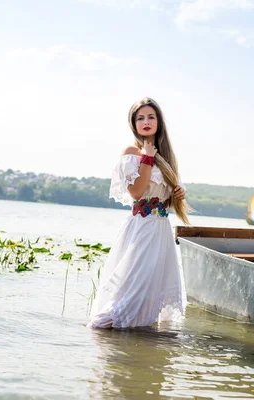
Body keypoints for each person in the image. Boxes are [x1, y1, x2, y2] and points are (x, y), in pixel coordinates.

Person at [88, 97, 190, 329]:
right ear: (133, 124)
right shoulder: (132, 152)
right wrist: (147, 156)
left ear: (159, 122)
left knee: (152, 289)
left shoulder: (168, 158)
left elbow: (164, 198)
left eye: (151, 117)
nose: (146, 121)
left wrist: (178, 193)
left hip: (161, 229)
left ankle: (138, 336)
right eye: (140, 118)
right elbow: (136, 192)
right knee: (133, 284)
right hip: (142, 227)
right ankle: (106, 333)